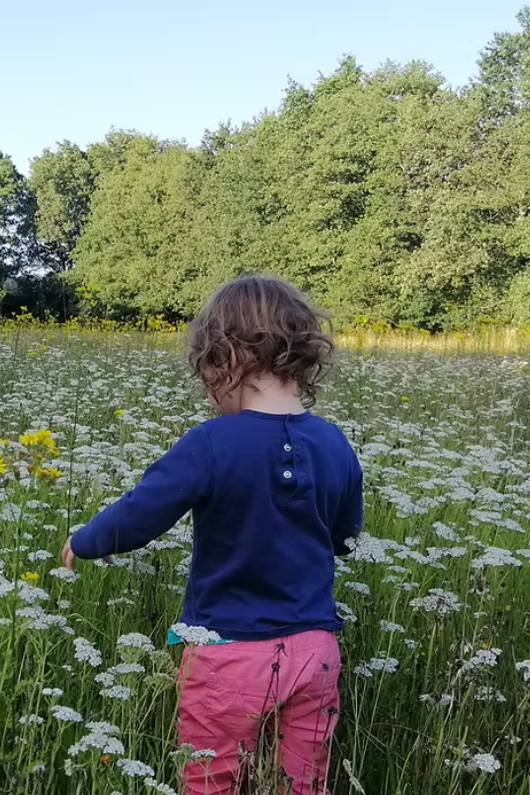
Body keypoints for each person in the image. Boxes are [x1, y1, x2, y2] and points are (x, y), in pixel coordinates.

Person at [61, 275, 363, 795]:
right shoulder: (335, 442)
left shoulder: (211, 442)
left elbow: (141, 512)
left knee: (211, 777)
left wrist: (88, 540)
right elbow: (345, 537)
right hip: (316, 650)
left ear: (225, 358)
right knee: (304, 781)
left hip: (227, 649)